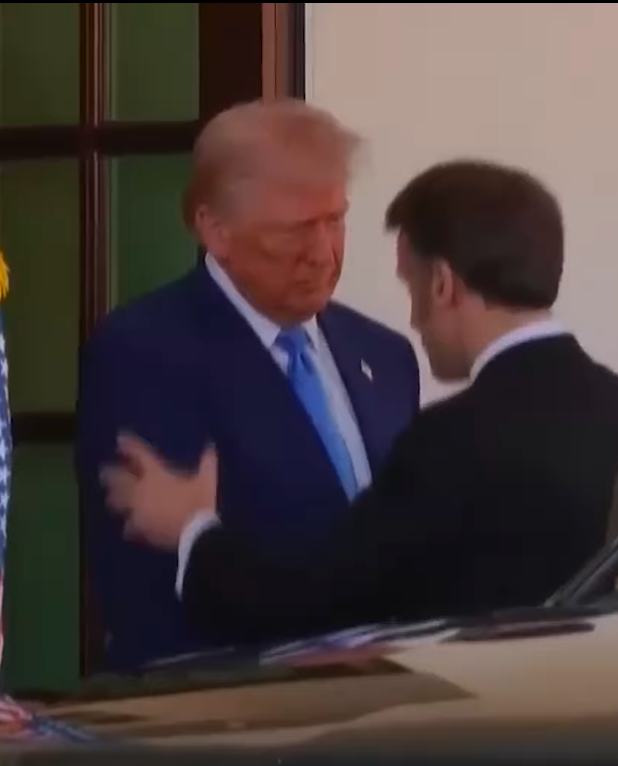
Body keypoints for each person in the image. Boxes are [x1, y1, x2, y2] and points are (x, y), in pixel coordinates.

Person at [99, 158, 618, 648]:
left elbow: (314, 603)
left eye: (409, 285)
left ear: (443, 285)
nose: (411, 320)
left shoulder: (450, 443)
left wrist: (193, 530)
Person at [75, 99, 421, 671]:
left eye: (335, 220)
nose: (323, 253)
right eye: (295, 230)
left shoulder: (384, 356)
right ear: (215, 229)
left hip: (385, 717)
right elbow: (156, 590)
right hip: (234, 724)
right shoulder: (144, 352)